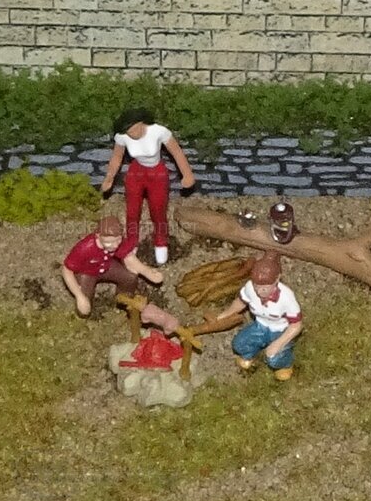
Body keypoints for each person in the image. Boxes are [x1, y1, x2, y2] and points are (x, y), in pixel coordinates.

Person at [100, 107, 198, 261]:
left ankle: (161, 241)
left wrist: (187, 174)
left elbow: (177, 152)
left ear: (141, 123)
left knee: (158, 210)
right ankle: (132, 241)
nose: (131, 134)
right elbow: (117, 157)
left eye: (133, 130)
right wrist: (109, 177)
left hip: (157, 173)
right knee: (132, 211)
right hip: (136, 172)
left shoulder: (159, 132)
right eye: (128, 132)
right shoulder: (123, 137)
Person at [209, 253, 303, 380]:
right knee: (239, 344)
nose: (259, 291)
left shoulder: (286, 297)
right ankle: (250, 356)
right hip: (260, 325)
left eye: (265, 287)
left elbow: (296, 325)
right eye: (257, 286)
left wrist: (278, 344)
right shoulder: (250, 288)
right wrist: (224, 315)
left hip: (280, 330)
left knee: (273, 359)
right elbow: (240, 302)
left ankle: (285, 365)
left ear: (277, 279)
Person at [61, 215, 165, 317]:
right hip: (87, 273)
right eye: (109, 243)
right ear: (98, 236)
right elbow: (67, 270)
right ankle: (83, 313)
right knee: (85, 304)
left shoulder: (117, 244)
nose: (115, 245)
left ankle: (124, 300)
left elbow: (128, 256)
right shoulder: (85, 248)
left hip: (107, 266)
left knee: (130, 277)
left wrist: (146, 271)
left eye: (118, 240)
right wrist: (79, 296)